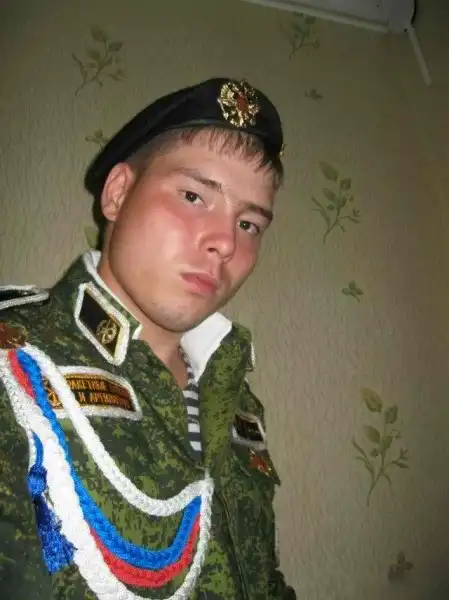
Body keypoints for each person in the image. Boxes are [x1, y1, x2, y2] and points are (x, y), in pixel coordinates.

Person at [0, 77, 296, 600]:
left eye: (250, 224)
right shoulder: (14, 363)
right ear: (118, 193)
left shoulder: (235, 400)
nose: (226, 243)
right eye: (194, 196)